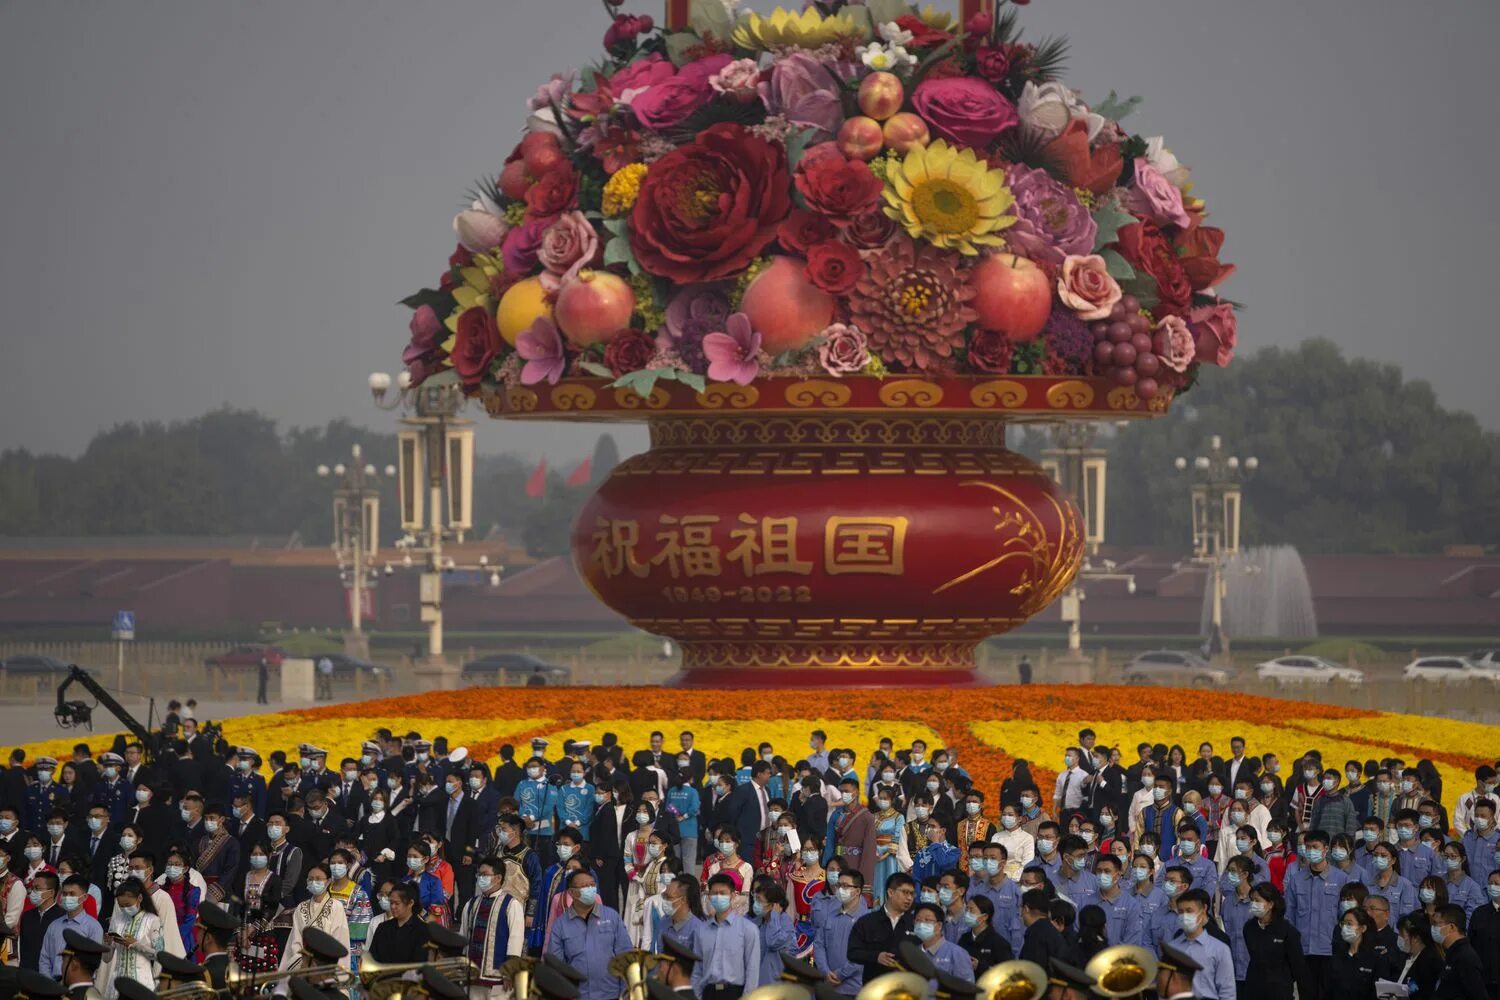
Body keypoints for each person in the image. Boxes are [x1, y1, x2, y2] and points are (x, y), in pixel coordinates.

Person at [549, 870, 631, 1000]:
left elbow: (626, 956)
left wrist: (625, 994)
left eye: (592, 885)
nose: (590, 889)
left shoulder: (612, 917)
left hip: (611, 994)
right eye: (584, 886)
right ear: (572, 892)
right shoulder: (560, 925)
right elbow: (556, 966)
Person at [459, 855, 524, 999]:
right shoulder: (471, 904)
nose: (481, 878)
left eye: (485, 874)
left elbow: (516, 939)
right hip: (472, 975)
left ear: (498, 877)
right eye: (479, 874)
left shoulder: (511, 904)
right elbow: (463, 936)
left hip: (498, 978)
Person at [277, 863, 350, 982]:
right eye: (310, 879)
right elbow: (295, 939)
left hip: (325, 966)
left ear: (328, 881)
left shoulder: (336, 907)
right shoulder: (301, 907)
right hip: (302, 966)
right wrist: (304, 964)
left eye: (318, 879)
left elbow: (340, 939)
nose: (313, 882)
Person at [693, 873, 760, 999]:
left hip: (735, 993)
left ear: (733, 896)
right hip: (709, 992)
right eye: (714, 893)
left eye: (723, 893)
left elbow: (752, 971)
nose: (718, 897)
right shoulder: (701, 930)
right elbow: (697, 969)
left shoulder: (748, 930)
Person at [97, 879, 165, 999]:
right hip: (117, 983)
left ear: (139, 898)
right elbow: (107, 959)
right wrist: (107, 944)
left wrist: (136, 944)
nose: (124, 908)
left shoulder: (152, 920)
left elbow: (159, 955)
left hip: (142, 982)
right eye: (121, 906)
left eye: (128, 905)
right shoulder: (117, 921)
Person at [848, 872, 917, 988]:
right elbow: (853, 953)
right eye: (905, 892)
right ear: (890, 892)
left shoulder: (916, 924)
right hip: (874, 989)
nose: (909, 898)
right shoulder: (867, 922)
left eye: (912, 894)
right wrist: (876, 957)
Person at [1170, 888, 1236, 1000]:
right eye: (1181, 912)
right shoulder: (1172, 948)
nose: (1185, 916)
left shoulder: (1220, 948)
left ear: (1203, 911)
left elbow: (1227, 991)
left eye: (1189, 911)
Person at [38, 876, 101, 978]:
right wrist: (48, 984)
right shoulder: (54, 925)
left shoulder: (93, 927)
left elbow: (94, 963)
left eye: (72, 894)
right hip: (52, 984)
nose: (67, 897)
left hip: (78, 985)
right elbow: (44, 958)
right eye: (64, 893)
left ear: (84, 897)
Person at [1431, 902, 1489, 1000]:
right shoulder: (1452, 953)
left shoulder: (1465, 958)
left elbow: (1479, 995)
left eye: (1437, 924)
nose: (1433, 928)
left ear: (1451, 927)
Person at [911, 901, 974, 989]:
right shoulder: (912, 954)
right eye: (918, 920)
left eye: (927, 920)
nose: (921, 924)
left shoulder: (957, 954)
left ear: (939, 926)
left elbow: (967, 991)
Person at [1327, 907, 1380, 1000]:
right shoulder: (1336, 958)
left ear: (1362, 928)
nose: (1344, 927)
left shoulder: (1375, 959)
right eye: (1343, 924)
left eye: (1349, 924)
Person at [368, 885, 429, 963]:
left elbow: (420, 962)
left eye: (397, 903)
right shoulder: (382, 927)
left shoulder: (422, 930)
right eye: (391, 903)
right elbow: (372, 957)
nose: (393, 907)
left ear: (410, 903)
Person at [753, 884, 797, 988]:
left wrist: (774, 916)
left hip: (775, 984)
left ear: (773, 905)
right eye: (755, 898)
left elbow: (773, 942)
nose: (756, 903)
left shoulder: (784, 922)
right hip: (756, 983)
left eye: (759, 900)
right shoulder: (760, 921)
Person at [957, 894, 1011, 978]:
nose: (967, 913)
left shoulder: (998, 942)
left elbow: (1007, 973)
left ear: (985, 916)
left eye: (971, 910)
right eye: (966, 909)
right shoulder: (964, 938)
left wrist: (980, 966)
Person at [1393, 911, 1444, 998]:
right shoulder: (1404, 956)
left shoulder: (1429, 962)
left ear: (1415, 938)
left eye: (1402, 934)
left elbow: (1423, 991)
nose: (1399, 938)